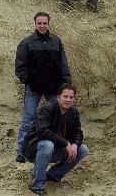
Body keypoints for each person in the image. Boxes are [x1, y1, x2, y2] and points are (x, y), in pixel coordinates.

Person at [14, 12, 72, 163]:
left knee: (58, 118)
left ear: (48, 23)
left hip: (54, 88)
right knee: (29, 119)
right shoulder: (27, 43)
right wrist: (27, 80)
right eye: (39, 23)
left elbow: (63, 64)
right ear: (35, 24)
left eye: (44, 23)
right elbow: (20, 66)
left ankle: (60, 148)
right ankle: (21, 151)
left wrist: (66, 83)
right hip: (34, 88)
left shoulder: (56, 41)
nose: (42, 26)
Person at [22, 83, 88, 195]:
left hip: (57, 149)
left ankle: (53, 175)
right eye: (65, 96)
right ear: (58, 97)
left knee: (83, 149)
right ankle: (37, 184)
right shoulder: (47, 109)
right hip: (35, 149)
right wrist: (66, 143)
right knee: (48, 145)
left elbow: (78, 132)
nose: (68, 100)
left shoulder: (74, 112)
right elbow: (43, 132)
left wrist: (75, 145)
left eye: (71, 97)